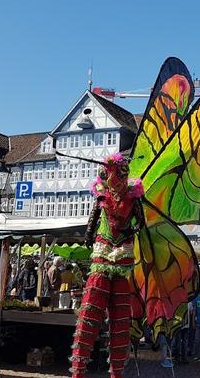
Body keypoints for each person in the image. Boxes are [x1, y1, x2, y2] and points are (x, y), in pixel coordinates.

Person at [69, 153, 145, 378]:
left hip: (122, 253)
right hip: (102, 252)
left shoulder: (133, 193)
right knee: (90, 312)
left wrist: (130, 230)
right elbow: (94, 215)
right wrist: (89, 233)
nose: (115, 177)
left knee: (121, 318)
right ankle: (78, 372)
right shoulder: (102, 192)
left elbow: (140, 221)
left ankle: (116, 373)